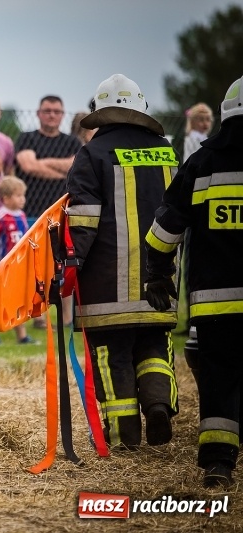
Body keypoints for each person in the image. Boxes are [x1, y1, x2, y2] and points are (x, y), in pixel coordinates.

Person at [65, 74, 179, 451]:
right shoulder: (165, 150)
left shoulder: (93, 153)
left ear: (100, 111)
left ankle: (124, 437)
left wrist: (69, 264)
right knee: (153, 345)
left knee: (112, 356)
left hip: (106, 282)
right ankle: (159, 404)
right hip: (158, 279)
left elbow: (82, 219)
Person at [144, 75, 243, 487]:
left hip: (215, 303)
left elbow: (164, 230)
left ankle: (219, 463)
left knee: (219, 376)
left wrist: (157, 274)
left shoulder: (202, 163)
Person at [14, 95, 82, 220]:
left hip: (62, 210)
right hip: (30, 209)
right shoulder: (27, 138)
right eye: (47, 111)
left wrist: (42, 163)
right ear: (38, 113)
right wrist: (63, 173)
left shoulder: (72, 142)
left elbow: (76, 167)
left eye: (56, 112)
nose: (52, 115)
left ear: (62, 115)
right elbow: (29, 166)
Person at [0, 176, 35, 344]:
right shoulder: (0, 216)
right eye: (18, 195)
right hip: (3, 265)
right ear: (6, 198)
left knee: (19, 300)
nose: (22, 199)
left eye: (23, 195)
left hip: (20, 266)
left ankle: (22, 335)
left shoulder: (22, 215)